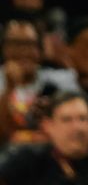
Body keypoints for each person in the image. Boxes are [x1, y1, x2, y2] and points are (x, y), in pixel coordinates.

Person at [0, 19, 76, 148]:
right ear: (4, 48)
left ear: (40, 50)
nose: (23, 51)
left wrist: (53, 110)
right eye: (16, 44)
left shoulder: (58, 82)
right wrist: (9, 88)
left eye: (30, 44)